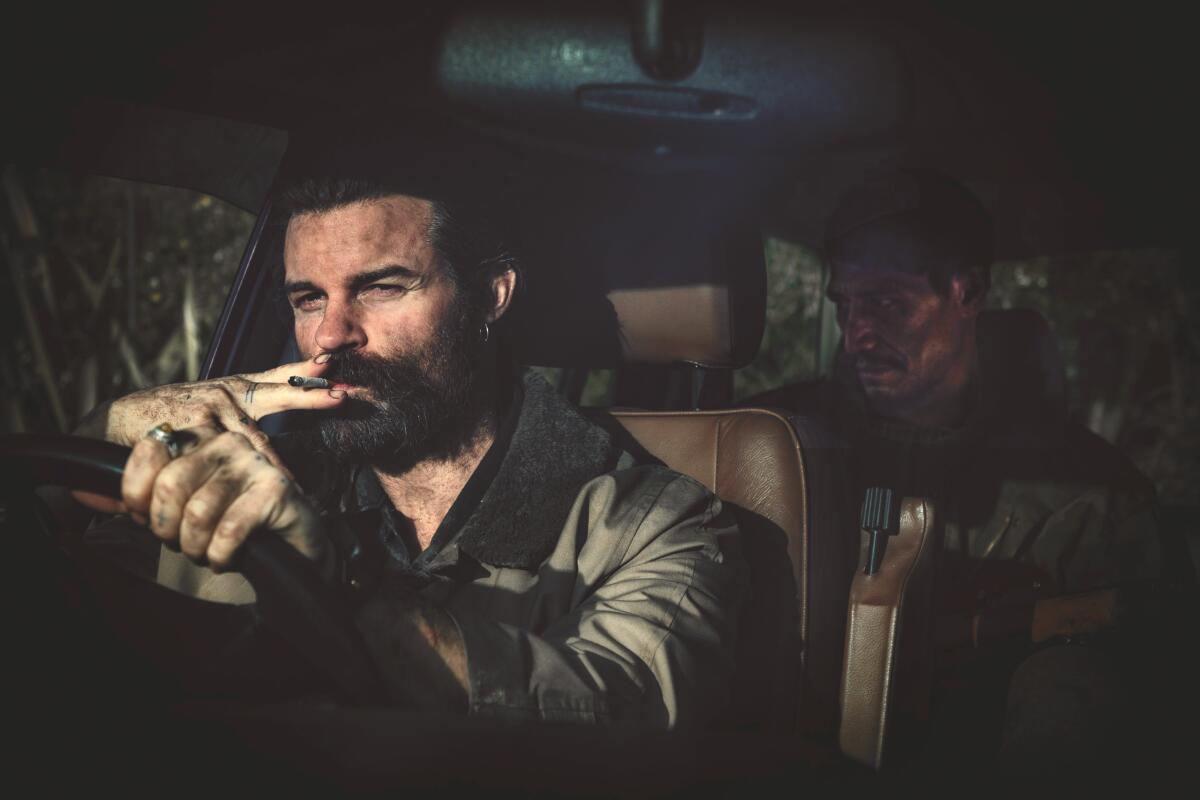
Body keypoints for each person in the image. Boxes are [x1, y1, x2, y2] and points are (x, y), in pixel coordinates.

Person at [73, 176, 747, 728]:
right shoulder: (275, 479)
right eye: (309, 298)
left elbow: (614, 722)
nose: (330, 335)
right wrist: (112, 425)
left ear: (490, 295)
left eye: (380, 287)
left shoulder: (657, 523)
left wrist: (337, 588)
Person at [745, 168, 1182, 774]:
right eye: (846, 307)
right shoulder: (771, 444)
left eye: (888, 305)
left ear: (967, 292)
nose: (855, 339)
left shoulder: (1089, 497)